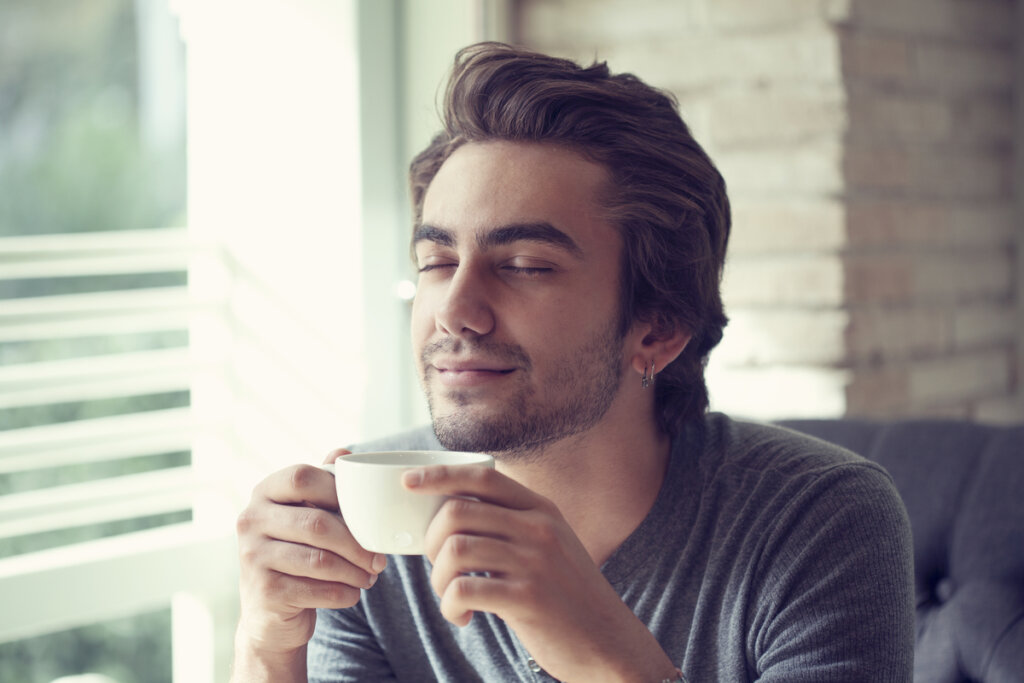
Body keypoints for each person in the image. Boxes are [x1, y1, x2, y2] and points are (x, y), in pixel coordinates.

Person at [232, 43, 915, 683]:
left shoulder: (818, 520)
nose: (454, 310)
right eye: (437, 261)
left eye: (525, 265)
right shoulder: (373, 523)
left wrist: (607, 657)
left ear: (659, 329)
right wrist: (267, 648)